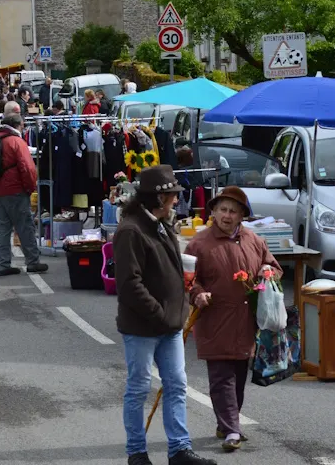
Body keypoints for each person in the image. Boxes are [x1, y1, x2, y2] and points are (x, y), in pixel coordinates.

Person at [113, 165, 216, 465]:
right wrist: (160, 313)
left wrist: (180, 303)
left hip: (169, 324)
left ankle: (179, 449)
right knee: (138, 388)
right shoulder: (131, 230)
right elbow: (129, 285)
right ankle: (137, 453)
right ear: (158, 198)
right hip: (144, 326)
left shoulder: (161, 223)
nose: (175, 200)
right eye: (172, 195)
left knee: (176, 385)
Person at [186, 186, 280, 453]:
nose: (227, 216)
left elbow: (273, 266)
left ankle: (225, 424)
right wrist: (198, 293)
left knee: (238, 376)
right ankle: (231, 429)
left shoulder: (253, 240)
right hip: (214, 319)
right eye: (222, 210)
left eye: (233, 211)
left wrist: (267, 270)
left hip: (245, 321)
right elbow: (188, 280)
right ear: (213, 212)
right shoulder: (199, 244)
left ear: (241, 216)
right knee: (221, 377)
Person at [0, 114, 49, 275]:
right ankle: (32, 261)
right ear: (17, 125)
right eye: (23, 125)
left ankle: (3, 264)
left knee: (3, 229)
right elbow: (28, 168)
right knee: (25, 226)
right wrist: (30, 188)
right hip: (15, 189)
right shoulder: (16, 142)